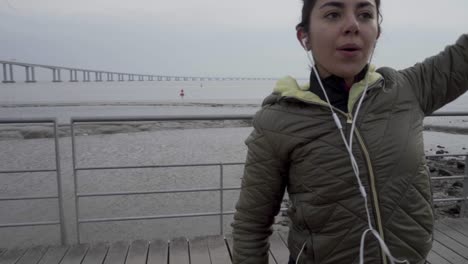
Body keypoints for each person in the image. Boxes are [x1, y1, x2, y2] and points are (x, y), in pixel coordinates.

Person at [231, 0, 468, 263]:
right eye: (333, 14)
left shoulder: (406, 89)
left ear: (376, 32)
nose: (352, 25)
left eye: (365, 14)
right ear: (304, 37)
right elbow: (250, 227)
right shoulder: (277, 120)